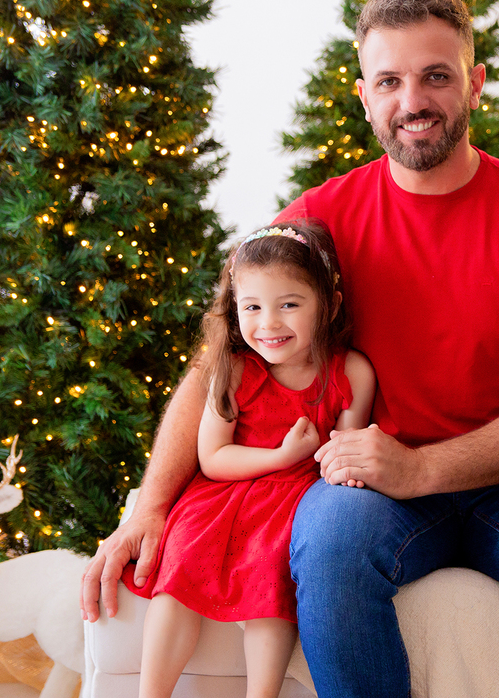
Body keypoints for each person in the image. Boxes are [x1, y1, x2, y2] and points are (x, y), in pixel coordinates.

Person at [82, 0, 499, 698]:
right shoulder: (322, 219)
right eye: (391, 81)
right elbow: (219, 359)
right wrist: (151, 505)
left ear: (475, 85)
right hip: (373, 486)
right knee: (330, 543)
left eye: (436, 76)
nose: (414, 100)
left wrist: (422, 468)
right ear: (365, 97)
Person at [126, 222, 375, 698]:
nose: (269, 324)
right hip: (224, 492)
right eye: (252, 307)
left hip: (296, 500)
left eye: (289, 305)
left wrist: (337, 463)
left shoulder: (352, 372)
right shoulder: (237, 369)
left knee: (271, 583)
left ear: (330, 305)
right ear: (233, 310)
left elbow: (345, 451)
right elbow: (214, 458)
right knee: (179, 571)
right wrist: (281, 454)